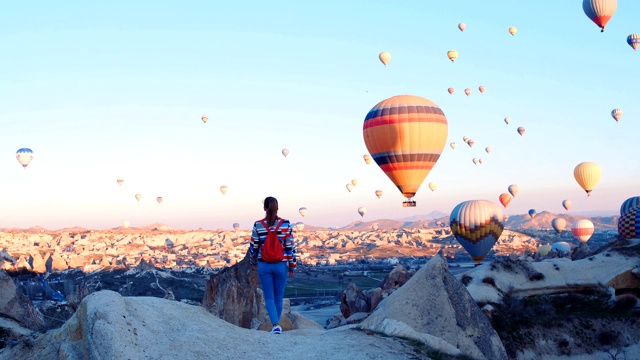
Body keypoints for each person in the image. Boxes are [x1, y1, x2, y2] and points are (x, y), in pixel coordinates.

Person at [249, 196, 296, 334]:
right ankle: (277, 324)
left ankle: (275, 325)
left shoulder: (258, 225)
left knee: (268, 296)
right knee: (278, 296)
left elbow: (254, 246)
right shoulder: (285, 224)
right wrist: (292, 265)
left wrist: (253, 262)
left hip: (264, 264)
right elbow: (290, 247)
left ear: (264, 208)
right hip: (280, 265)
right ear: (277, 208)